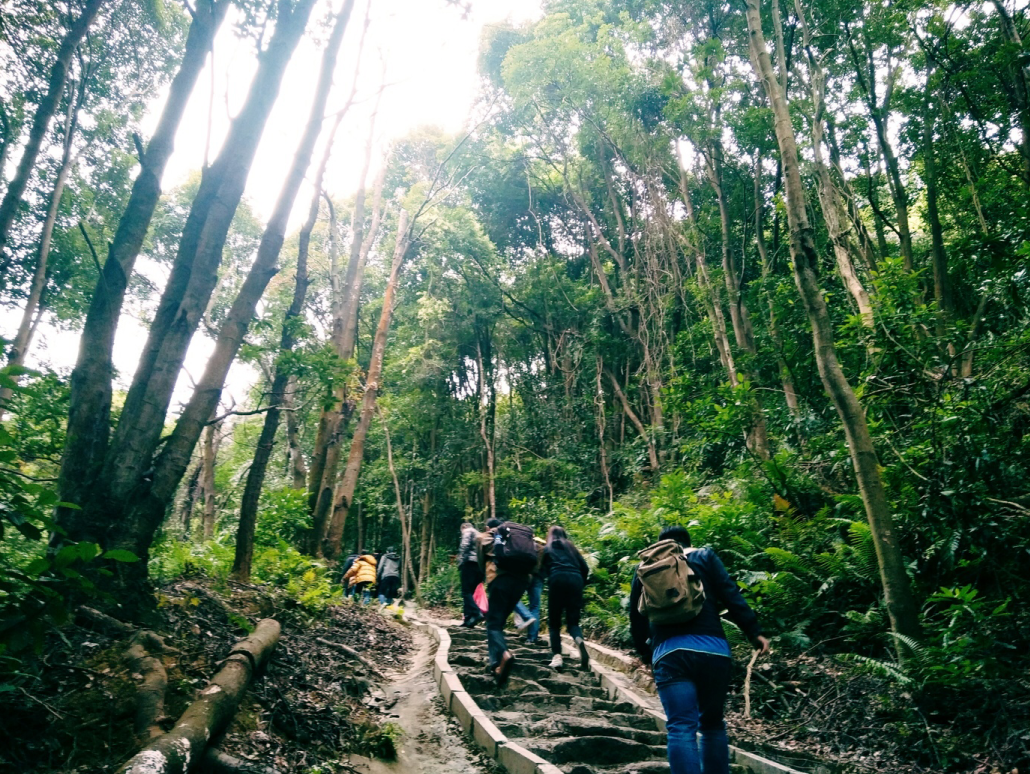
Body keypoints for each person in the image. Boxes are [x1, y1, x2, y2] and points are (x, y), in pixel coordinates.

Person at [629, 526, 770, 774]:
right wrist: (754, 632)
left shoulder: (647, 568)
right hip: (713, 650)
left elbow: (636, 617)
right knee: (713, 724)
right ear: (686, 542)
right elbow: (730, 594)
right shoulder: (705, 556)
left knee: (681, 725)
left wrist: (645, 653)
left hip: (670, 653)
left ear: (660, 545)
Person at [477, 517, 532, 687]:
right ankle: (497, 666)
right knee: (498, 624)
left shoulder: (493, 534)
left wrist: (482, 574)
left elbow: (481, 547)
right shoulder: (525, 538)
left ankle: (502, 655)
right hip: (522, 581)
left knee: (493, 624)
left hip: (501, 579)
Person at [542, 526, 590, 669]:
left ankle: (557, 657)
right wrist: (581, 583)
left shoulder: (547, 548)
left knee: (554, 623)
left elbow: (542, 569)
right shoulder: (572, 549)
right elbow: (585, 568)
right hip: (576, 579)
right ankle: (578, 639)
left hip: (557, 578)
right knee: (573, 622)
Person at [513, 536, 544, 644]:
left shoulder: (525, 547)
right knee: (535, 606)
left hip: (525, 576)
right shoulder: (543, 550)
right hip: (538, 578)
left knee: (513, 597)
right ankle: (532, 638)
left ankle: (526, 616)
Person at [457, 522, 484, 627]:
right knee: (470, 594)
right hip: (479, 567)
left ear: (463, 527)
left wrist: (461, 562)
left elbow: (464, 546)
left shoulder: (468, 531)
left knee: (465, 592)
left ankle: (476, 613)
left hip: (469, 563)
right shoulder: (479, 534)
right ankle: (468, 620)